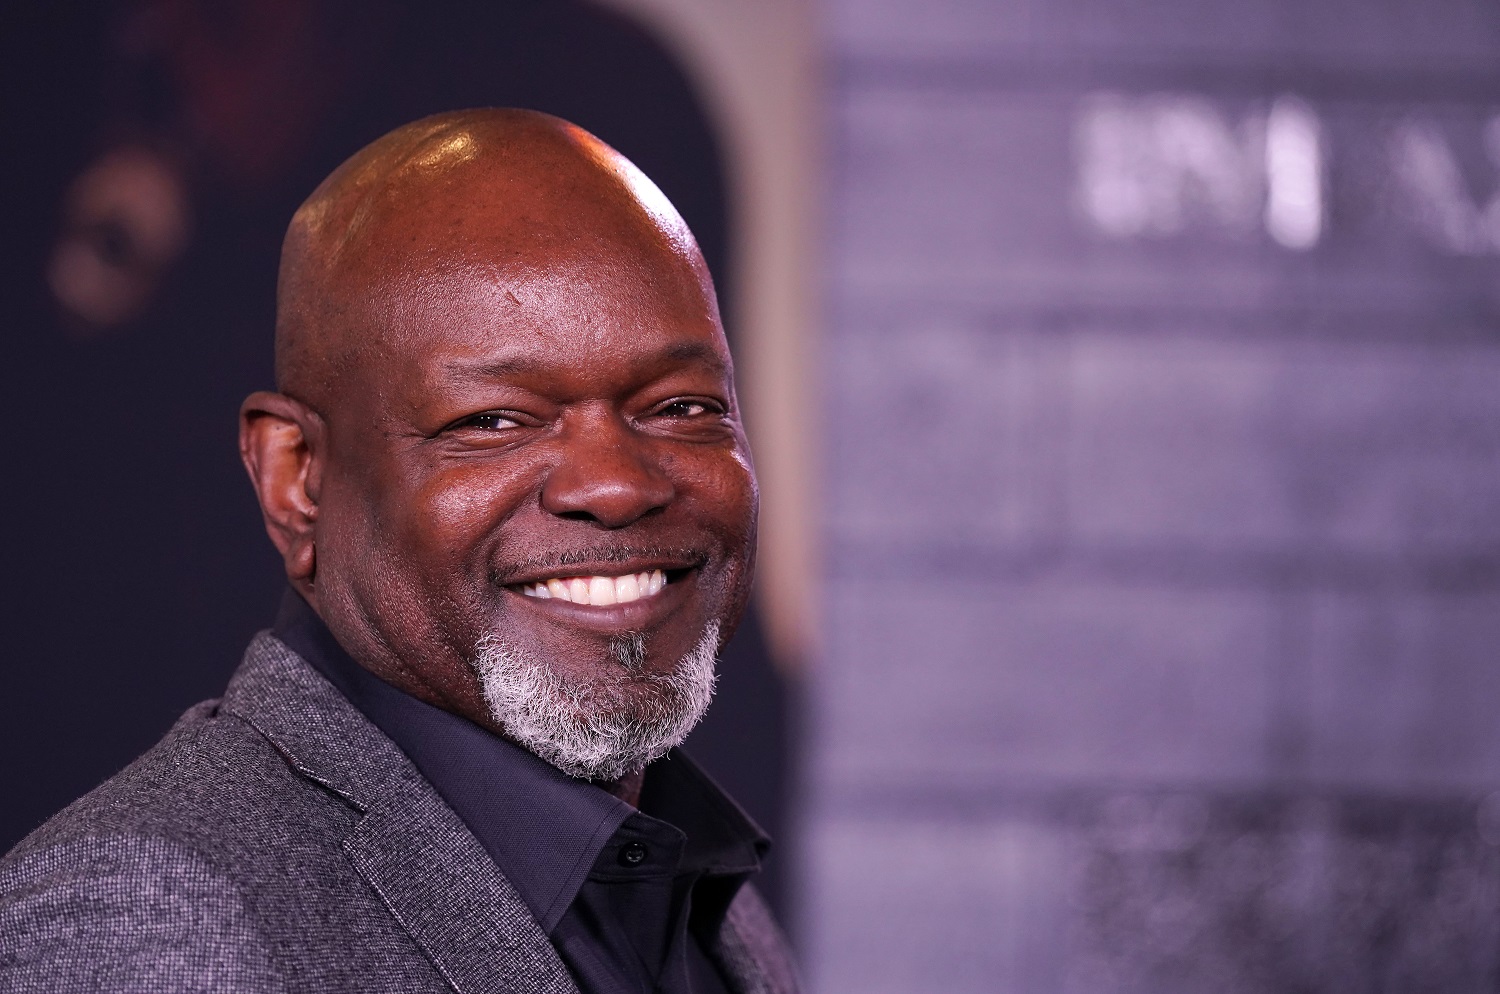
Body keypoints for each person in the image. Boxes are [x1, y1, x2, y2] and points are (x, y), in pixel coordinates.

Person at [0, 109, 798, 994]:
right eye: (493, 421)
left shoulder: (699, 887)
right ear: (297, 479)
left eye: (683, 406)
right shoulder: (148, 917)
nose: (615, 485)